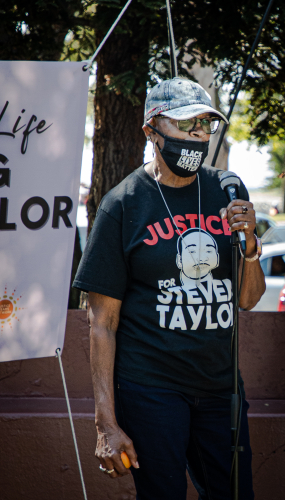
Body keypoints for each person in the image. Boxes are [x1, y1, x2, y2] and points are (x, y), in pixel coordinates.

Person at [73, 77, 266, 500]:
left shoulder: (226, 191)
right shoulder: (122, 205)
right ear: (152, 130)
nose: (197, 134)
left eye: (204, 124)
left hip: (221, 390)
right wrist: (106, 422)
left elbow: (248, 299)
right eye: (185, 124)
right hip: (150, 391)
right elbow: (102, 323)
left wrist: (250, 245)